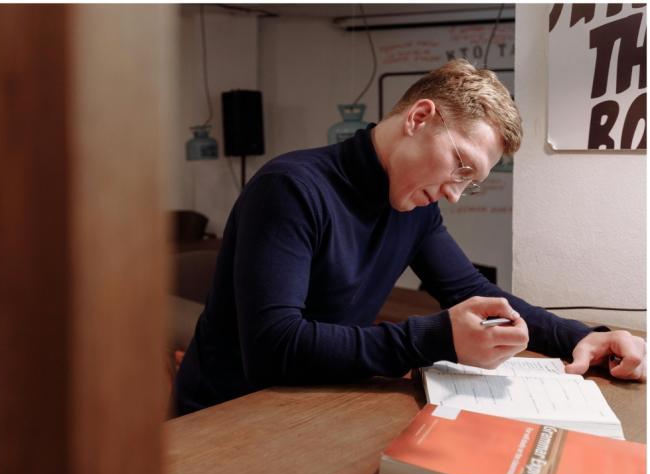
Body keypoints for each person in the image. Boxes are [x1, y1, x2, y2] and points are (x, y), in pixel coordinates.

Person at [173, 59, 646, 416]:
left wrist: (588, 338)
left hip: (316, 401)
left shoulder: (415, 206)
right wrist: (436, 336)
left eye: (472, 180)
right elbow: (273, 350)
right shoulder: (290, 189)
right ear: (420, 117)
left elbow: (472, 293)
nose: (456, 194)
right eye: (461, 166)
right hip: (226, 417)